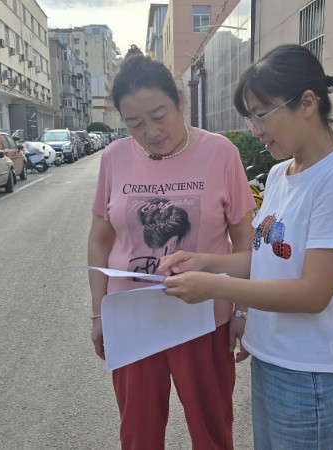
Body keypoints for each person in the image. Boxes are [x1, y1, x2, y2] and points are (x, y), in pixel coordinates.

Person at [159, 44, 333, 449]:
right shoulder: (280, 175)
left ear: (307, 103)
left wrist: (213, 287)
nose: (255, 129)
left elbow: (312, 294)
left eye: (261, 114)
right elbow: (265, 260)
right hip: (271, 362)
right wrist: (204, 262)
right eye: (249, 117)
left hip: (315, 377)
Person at [86, 45, 256, 450]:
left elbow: (244, 238)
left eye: (159, 116)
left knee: (212, 431)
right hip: (132, 317)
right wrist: (98, 313)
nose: (150, 132)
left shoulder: (221, 153)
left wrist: (242, 309)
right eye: (134, 123)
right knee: (138, 434)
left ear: (180, 100)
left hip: (204, 316)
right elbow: (99, 239)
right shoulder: (114, 158)